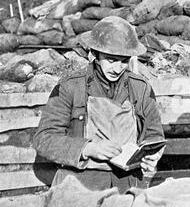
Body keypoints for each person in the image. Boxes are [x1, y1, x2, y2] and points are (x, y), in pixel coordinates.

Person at [33, 16, 165, 193]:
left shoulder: (141, 88)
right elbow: (44, 139)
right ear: (95, 54)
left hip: (127, 185)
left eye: (124, 61)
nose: (118, 68)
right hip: (80, 184)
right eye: (111, 60)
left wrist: (151, 156)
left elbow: (154, 135)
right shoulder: (71, 87)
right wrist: (88, 148)